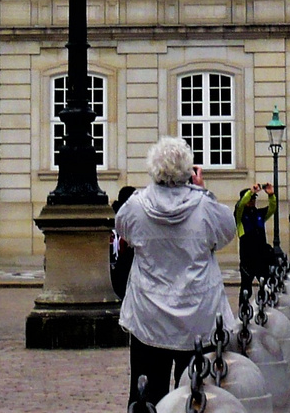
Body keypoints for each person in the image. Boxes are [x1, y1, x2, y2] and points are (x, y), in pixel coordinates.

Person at [115, 137, 237, 407]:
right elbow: (227, 232)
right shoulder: (205, 206)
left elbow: (124, 230)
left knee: (147, 395)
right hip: (198, 316)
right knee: (195, 395)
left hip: (149, 318)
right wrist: (203, 191)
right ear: (189, 170)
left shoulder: (136, 206)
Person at [233, 181, 277, 297]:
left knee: (266, 284)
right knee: (246, 287)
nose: (253, 201)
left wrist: (271, 195)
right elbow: (239, 206)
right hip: (247, 257)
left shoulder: (259, 213)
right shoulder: (240, 216)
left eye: (254, 199)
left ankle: (266, 306)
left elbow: (272, 209)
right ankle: (244, 310)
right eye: (250, 199)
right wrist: (250, 192)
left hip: (261, 256)